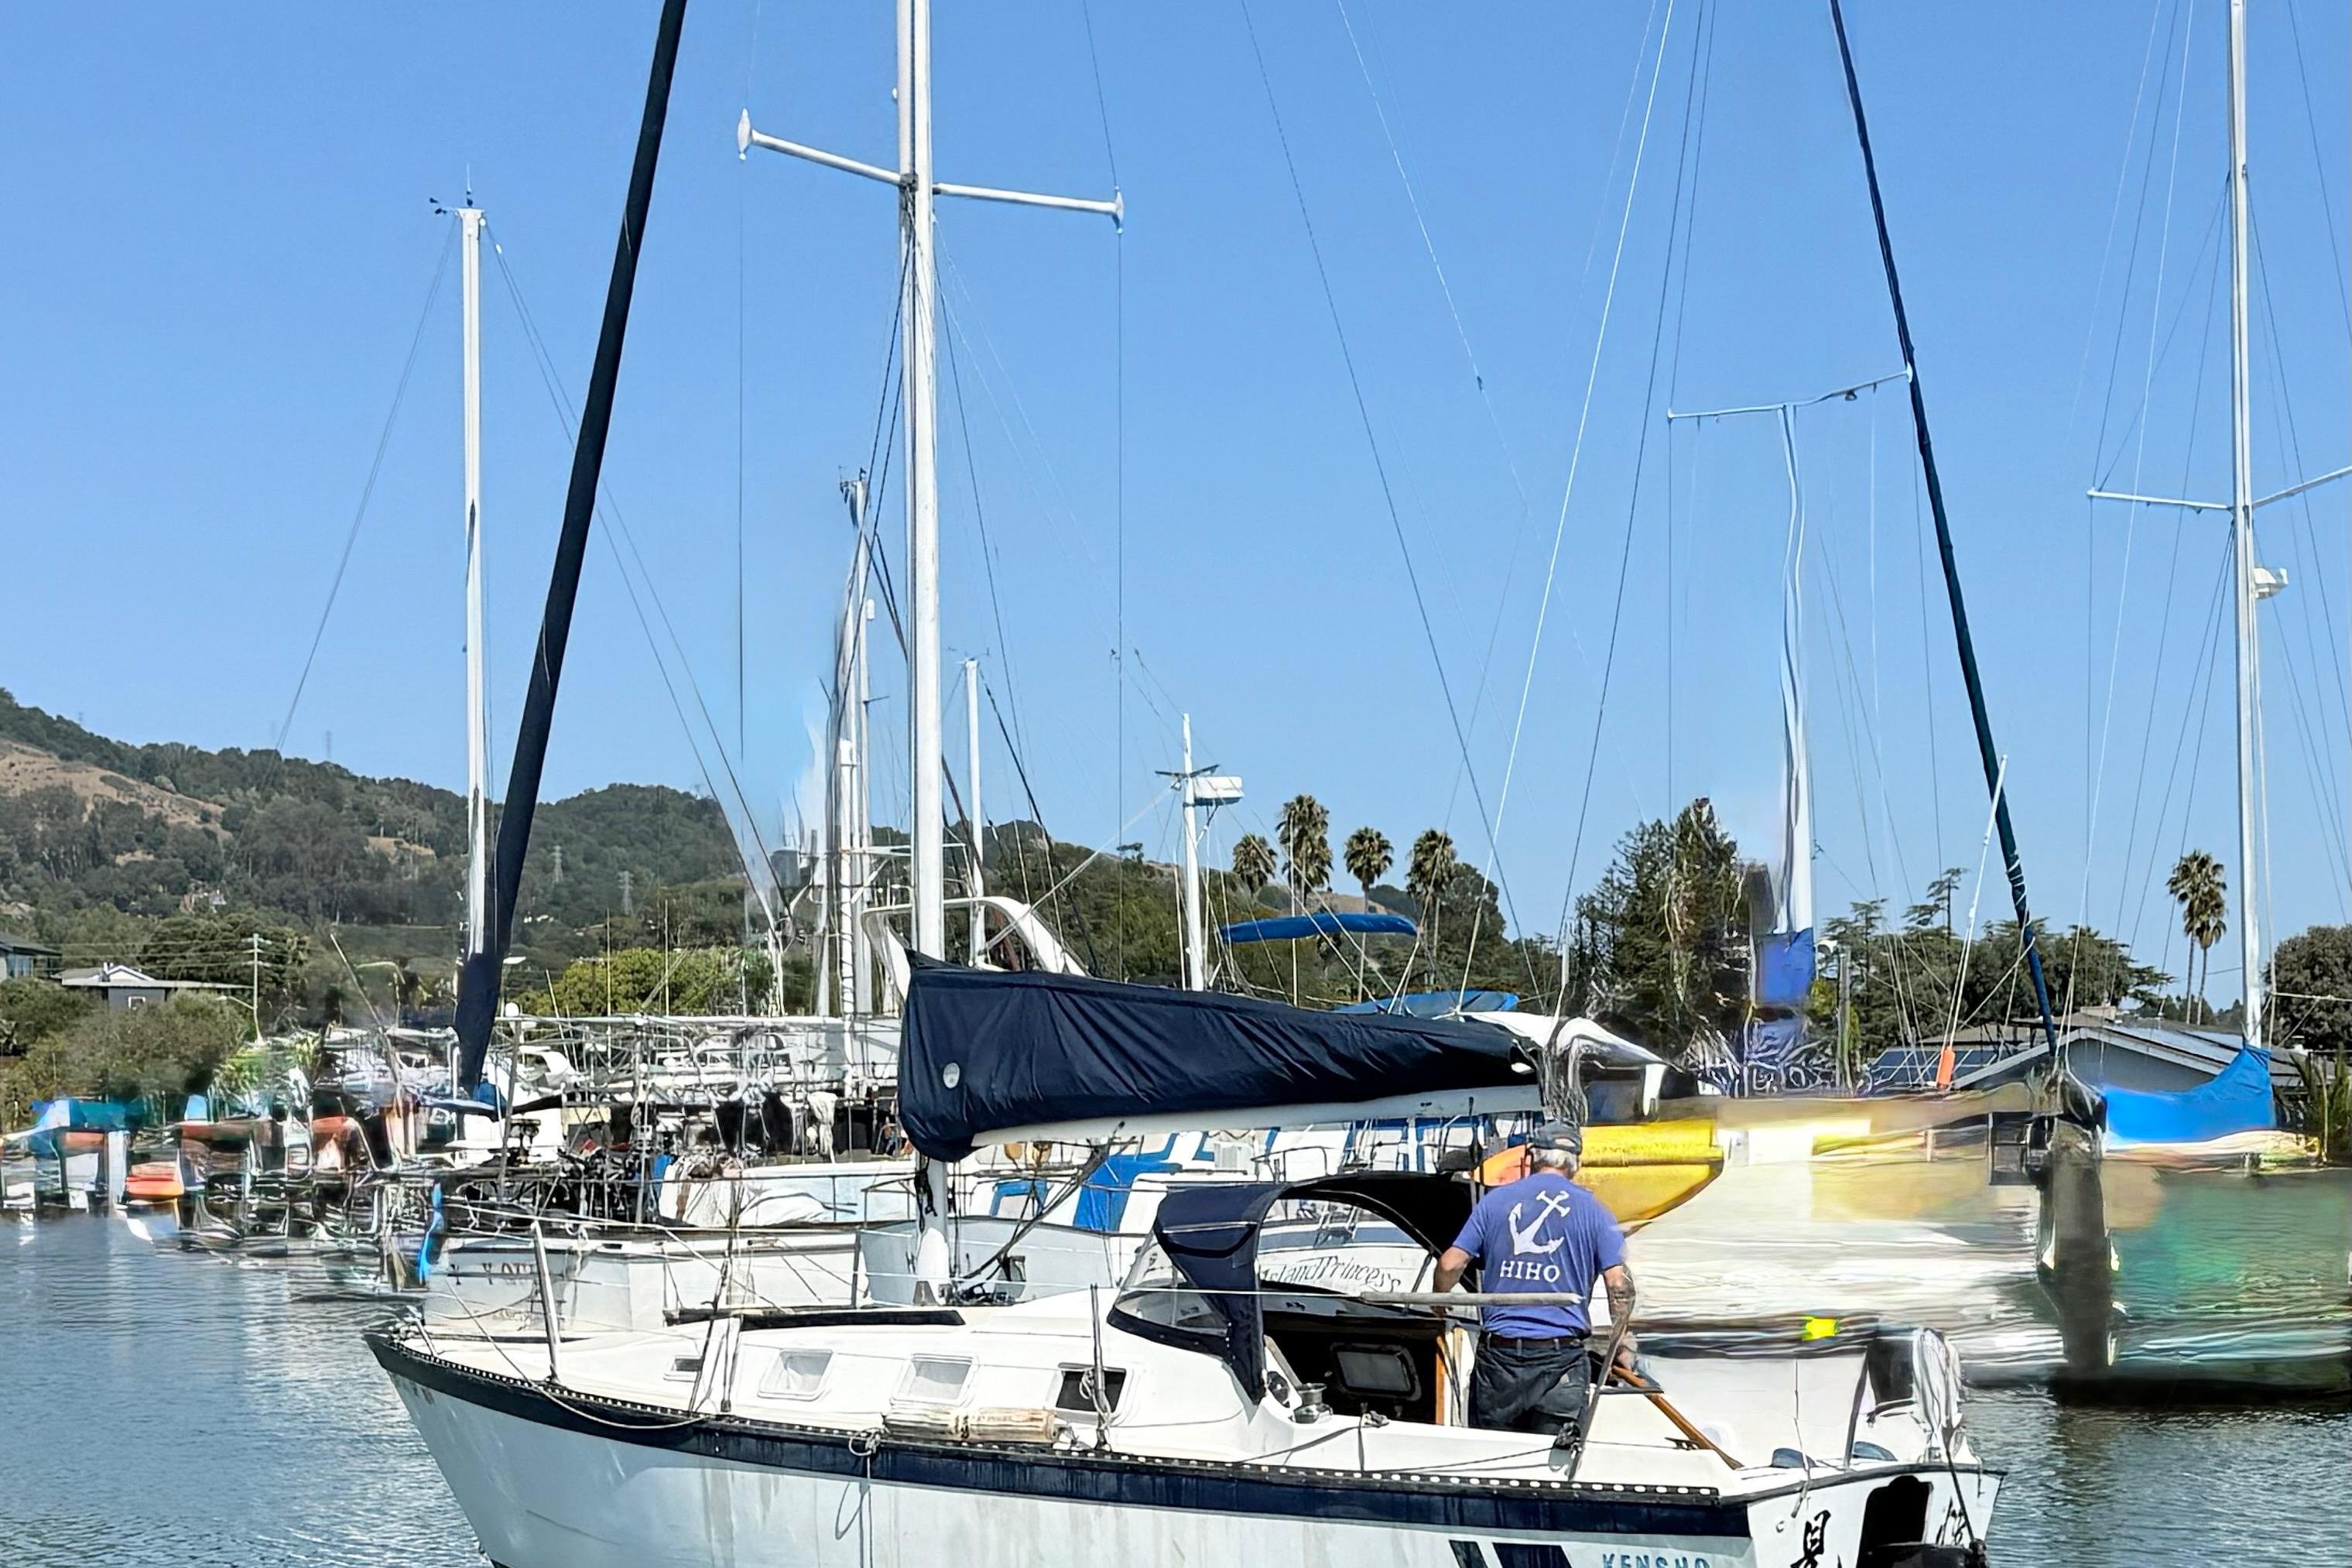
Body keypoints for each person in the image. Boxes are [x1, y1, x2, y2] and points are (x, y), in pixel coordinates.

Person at [1432, 1121, 1636, 1442]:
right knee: (1552, 1459)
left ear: (1530, 1157)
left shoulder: (1495, 1202)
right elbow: (1618, 1285)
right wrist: (1619, 1344)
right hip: (1561, 1362)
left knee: (1492, 1455)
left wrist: (1439, 1302)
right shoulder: (1597, 1212)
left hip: (1499, 1361)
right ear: (1577, 1163)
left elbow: (1451, 1262)